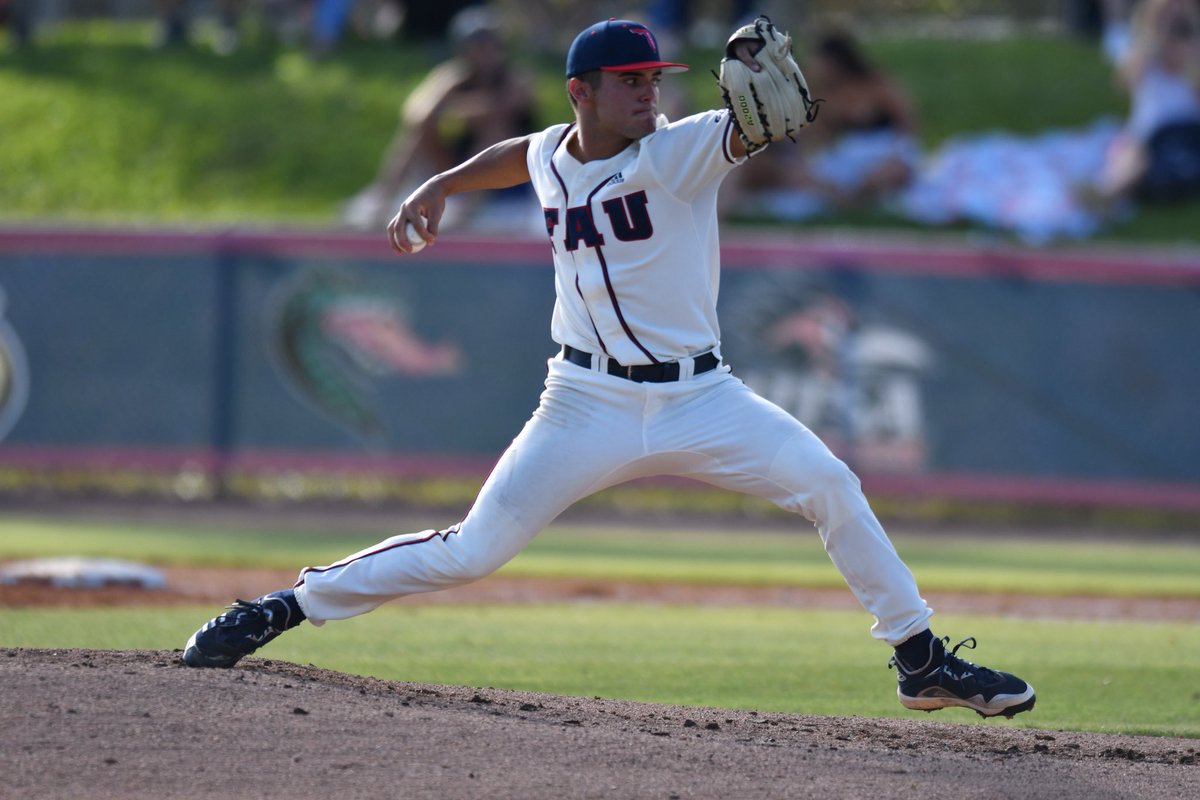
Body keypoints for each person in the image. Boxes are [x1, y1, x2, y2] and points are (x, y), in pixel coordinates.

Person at [183, 17, 1036, 720]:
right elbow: (520, 153)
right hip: (582, 401)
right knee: (473, 551)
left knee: (832, 483)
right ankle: (283, 607)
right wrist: (440, 180)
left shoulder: (681, 150)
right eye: (628, 80)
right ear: (580, 93)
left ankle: (919, 658)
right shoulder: (557, 150)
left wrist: (758, 116)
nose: (647, 92)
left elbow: (745, 127)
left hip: (702, 396)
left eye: (653, 78)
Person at [341, 5, 539, 231]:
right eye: (478, 46)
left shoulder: (517, 80)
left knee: (495, 130)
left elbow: (499, 110)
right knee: (417, 136)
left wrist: (454, 112)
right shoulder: (453, 78)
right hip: (462, 168)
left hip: (509, 176)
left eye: (490, 45)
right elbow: (416, 115)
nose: (485, 53)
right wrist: (448, 94)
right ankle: (381, 200)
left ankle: (465, 212)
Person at [722, 24, 920, 221]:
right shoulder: (825, 96)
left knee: (887, 173)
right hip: (846, 158)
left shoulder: (877, 85)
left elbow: (907, 128)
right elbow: (811, 136)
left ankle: (857, 200)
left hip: (887, 153)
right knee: (801, 175)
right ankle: (845, 200)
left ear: (835, 62)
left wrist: (895, 156)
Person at [1093, 0, 1200, 204]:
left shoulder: (1194, 50)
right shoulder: (1140, 48)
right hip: (1149, 133)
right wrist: (1150, 50)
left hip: (1188, 132)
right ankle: (1103, 198)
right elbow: (1123, 83)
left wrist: (1188, 63)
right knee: (1135, 158)